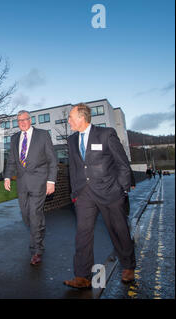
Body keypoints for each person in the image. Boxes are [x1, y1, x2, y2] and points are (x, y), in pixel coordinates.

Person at [64, 103, 136, 289]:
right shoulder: (71, 140)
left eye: (71, 117)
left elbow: (122, 162)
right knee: (83, 234)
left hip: (110, 192)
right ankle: (82, 276)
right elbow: (73, 167)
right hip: (84, 194)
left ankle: (128, 266)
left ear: (82, 118)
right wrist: (74, 193)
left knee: (118, 230)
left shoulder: (106, 134)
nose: (69, 121)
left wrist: (122, 189)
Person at [4, 110, 57, 265]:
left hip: (39, 182)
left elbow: (52, 160)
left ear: (30, 120)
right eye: (19, 120)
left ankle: (37, 249)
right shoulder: (14, 138)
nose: (22, 122)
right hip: (22, 183)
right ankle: (39, 229)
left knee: (34, 213)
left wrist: (51, 181)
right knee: (26, 214)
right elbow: (12, 160)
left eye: (24, 119)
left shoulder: (42, 135)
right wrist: (7, 176)